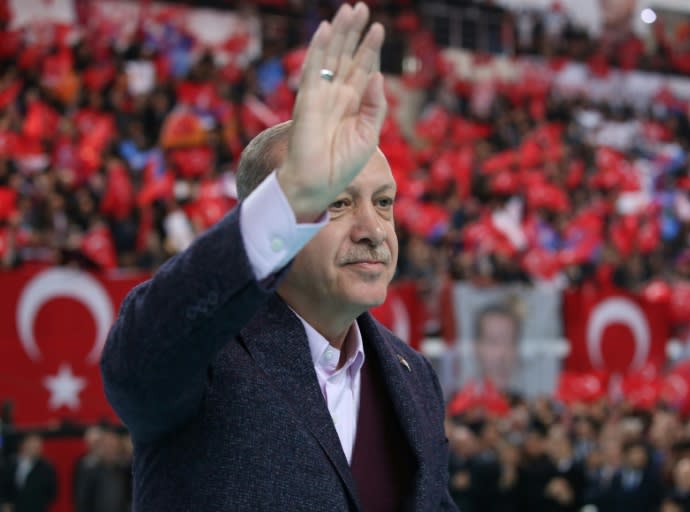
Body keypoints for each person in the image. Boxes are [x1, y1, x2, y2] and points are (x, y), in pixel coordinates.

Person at [100, 3, 456, 511]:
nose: (373, 230)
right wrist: (295, 190)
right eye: (336, 200)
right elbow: (137, 361)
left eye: (383, 202)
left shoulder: (413, 374)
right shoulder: (206, 354)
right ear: (281, 217)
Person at [0, 433, 57, 512]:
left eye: (38, 445)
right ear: (24, 445)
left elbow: (51, 493)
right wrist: (5, 503)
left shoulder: (47, 468)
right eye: (32, 444)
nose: (35, 447)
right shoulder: (10, 463)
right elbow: (4, 485)